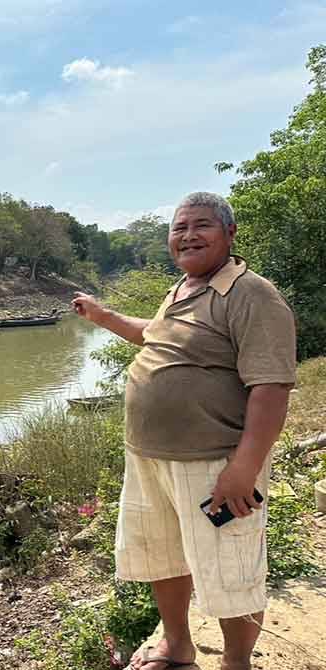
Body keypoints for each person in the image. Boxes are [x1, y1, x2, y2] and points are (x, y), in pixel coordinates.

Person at [72, 192, 296, 670]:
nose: (188, 235)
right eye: (179, 228)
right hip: (149, 457)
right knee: (163, 558)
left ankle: (236, 662)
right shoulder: (182, 289)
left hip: (216, 461)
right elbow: (154, 334)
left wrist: (244, 468)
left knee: (232, 570)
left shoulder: (251, 293)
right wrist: (104, 316)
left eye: (201, 226)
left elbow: (272, 387)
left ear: (229, 234)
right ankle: (177, 646)